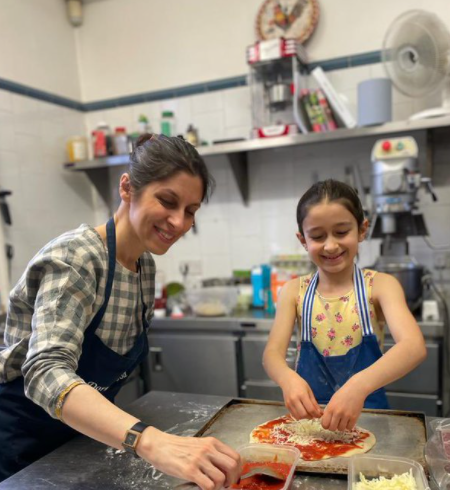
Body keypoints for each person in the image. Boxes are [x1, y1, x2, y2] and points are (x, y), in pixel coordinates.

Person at [0, 133, 240, 489]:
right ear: (127, 188)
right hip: (24, 452)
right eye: (167, 201)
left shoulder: (144, 264)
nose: (178, 222)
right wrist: (150, 441)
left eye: (190, 211)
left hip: (80, 444)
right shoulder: (77, 258)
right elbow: (45, 370)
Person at [263, 179, 427, 432]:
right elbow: (271, 354)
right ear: (303, 239)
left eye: (341, 232)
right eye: (317, 236)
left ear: (362, 230)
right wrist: (287, 380)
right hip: (310, 427)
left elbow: (413, 346)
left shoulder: (381, 286)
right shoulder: (294, 292)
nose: (330, 245)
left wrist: (358, 386)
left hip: (369, 421)